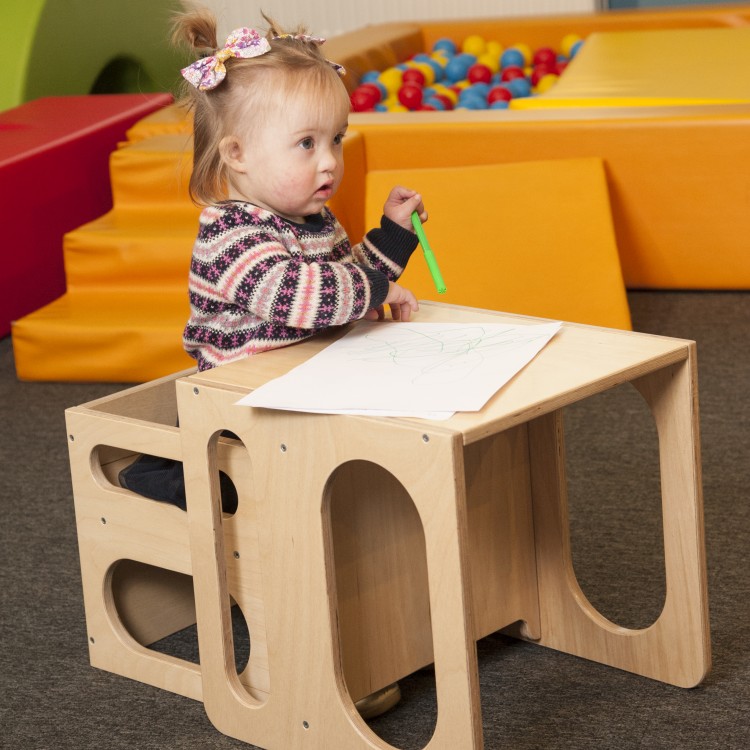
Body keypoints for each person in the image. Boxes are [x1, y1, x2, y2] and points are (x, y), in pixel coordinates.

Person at [120, 8, 427, 509]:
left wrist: (391, 235)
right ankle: (172, 477)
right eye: (306, 143)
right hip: (236, 403)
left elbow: (343, 282)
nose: (329, 160)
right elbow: (300, 297)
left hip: (297, 382)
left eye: (336, 139)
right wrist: (374, 290)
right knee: (245, 491)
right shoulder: (230, 231)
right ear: (237, 154)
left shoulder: (314, 221)